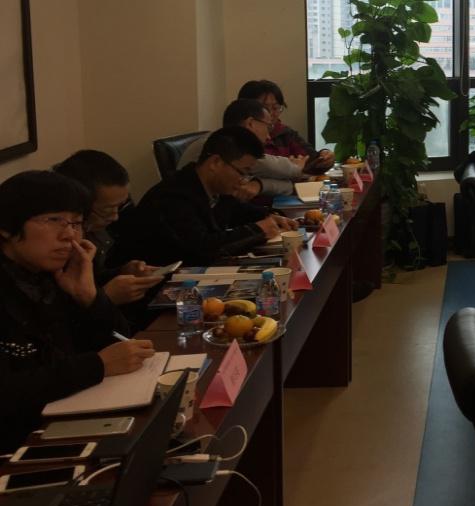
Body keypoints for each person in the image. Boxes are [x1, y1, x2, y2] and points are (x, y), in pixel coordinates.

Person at [0, 171, 155, 452]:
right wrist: (97, 365)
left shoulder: (51, 276)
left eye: (76, 223)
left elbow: (120, 340)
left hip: (67, 420)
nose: (69, 235)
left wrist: (90, 297)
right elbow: (8, 391)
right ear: (7, 227)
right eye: (53, 220)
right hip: (18, 445)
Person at [128, 127, 297, 264]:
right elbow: (202, 248)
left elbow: (238, 211)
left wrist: (270, 217)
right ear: (215, 163)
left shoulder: (216, 189)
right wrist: (258, 230)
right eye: (242, 172)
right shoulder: (173, 197)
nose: (244, 180)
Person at [53, 150, 163, 306]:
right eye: (107, 211)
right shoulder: (58, 246)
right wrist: (105, 298)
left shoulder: (96, 231)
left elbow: (95, 278)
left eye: (121, 206)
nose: (115, 217)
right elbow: (60, 311)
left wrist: (122, 271)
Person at [179, 98, 309, 199]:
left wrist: (259, 184)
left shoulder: (228, 143)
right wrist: (299, 168)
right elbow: (279, 168)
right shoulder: (229, 147)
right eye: (268, 127)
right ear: (250, 123)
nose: (269, 136)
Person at [237, 79, 335, 173]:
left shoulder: (285, 133)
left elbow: (312, 160)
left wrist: (324, 157)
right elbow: (255, 169)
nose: (271, 113)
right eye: (264, 108)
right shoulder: (238, 139)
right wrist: (291, 169)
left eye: (275, 108)